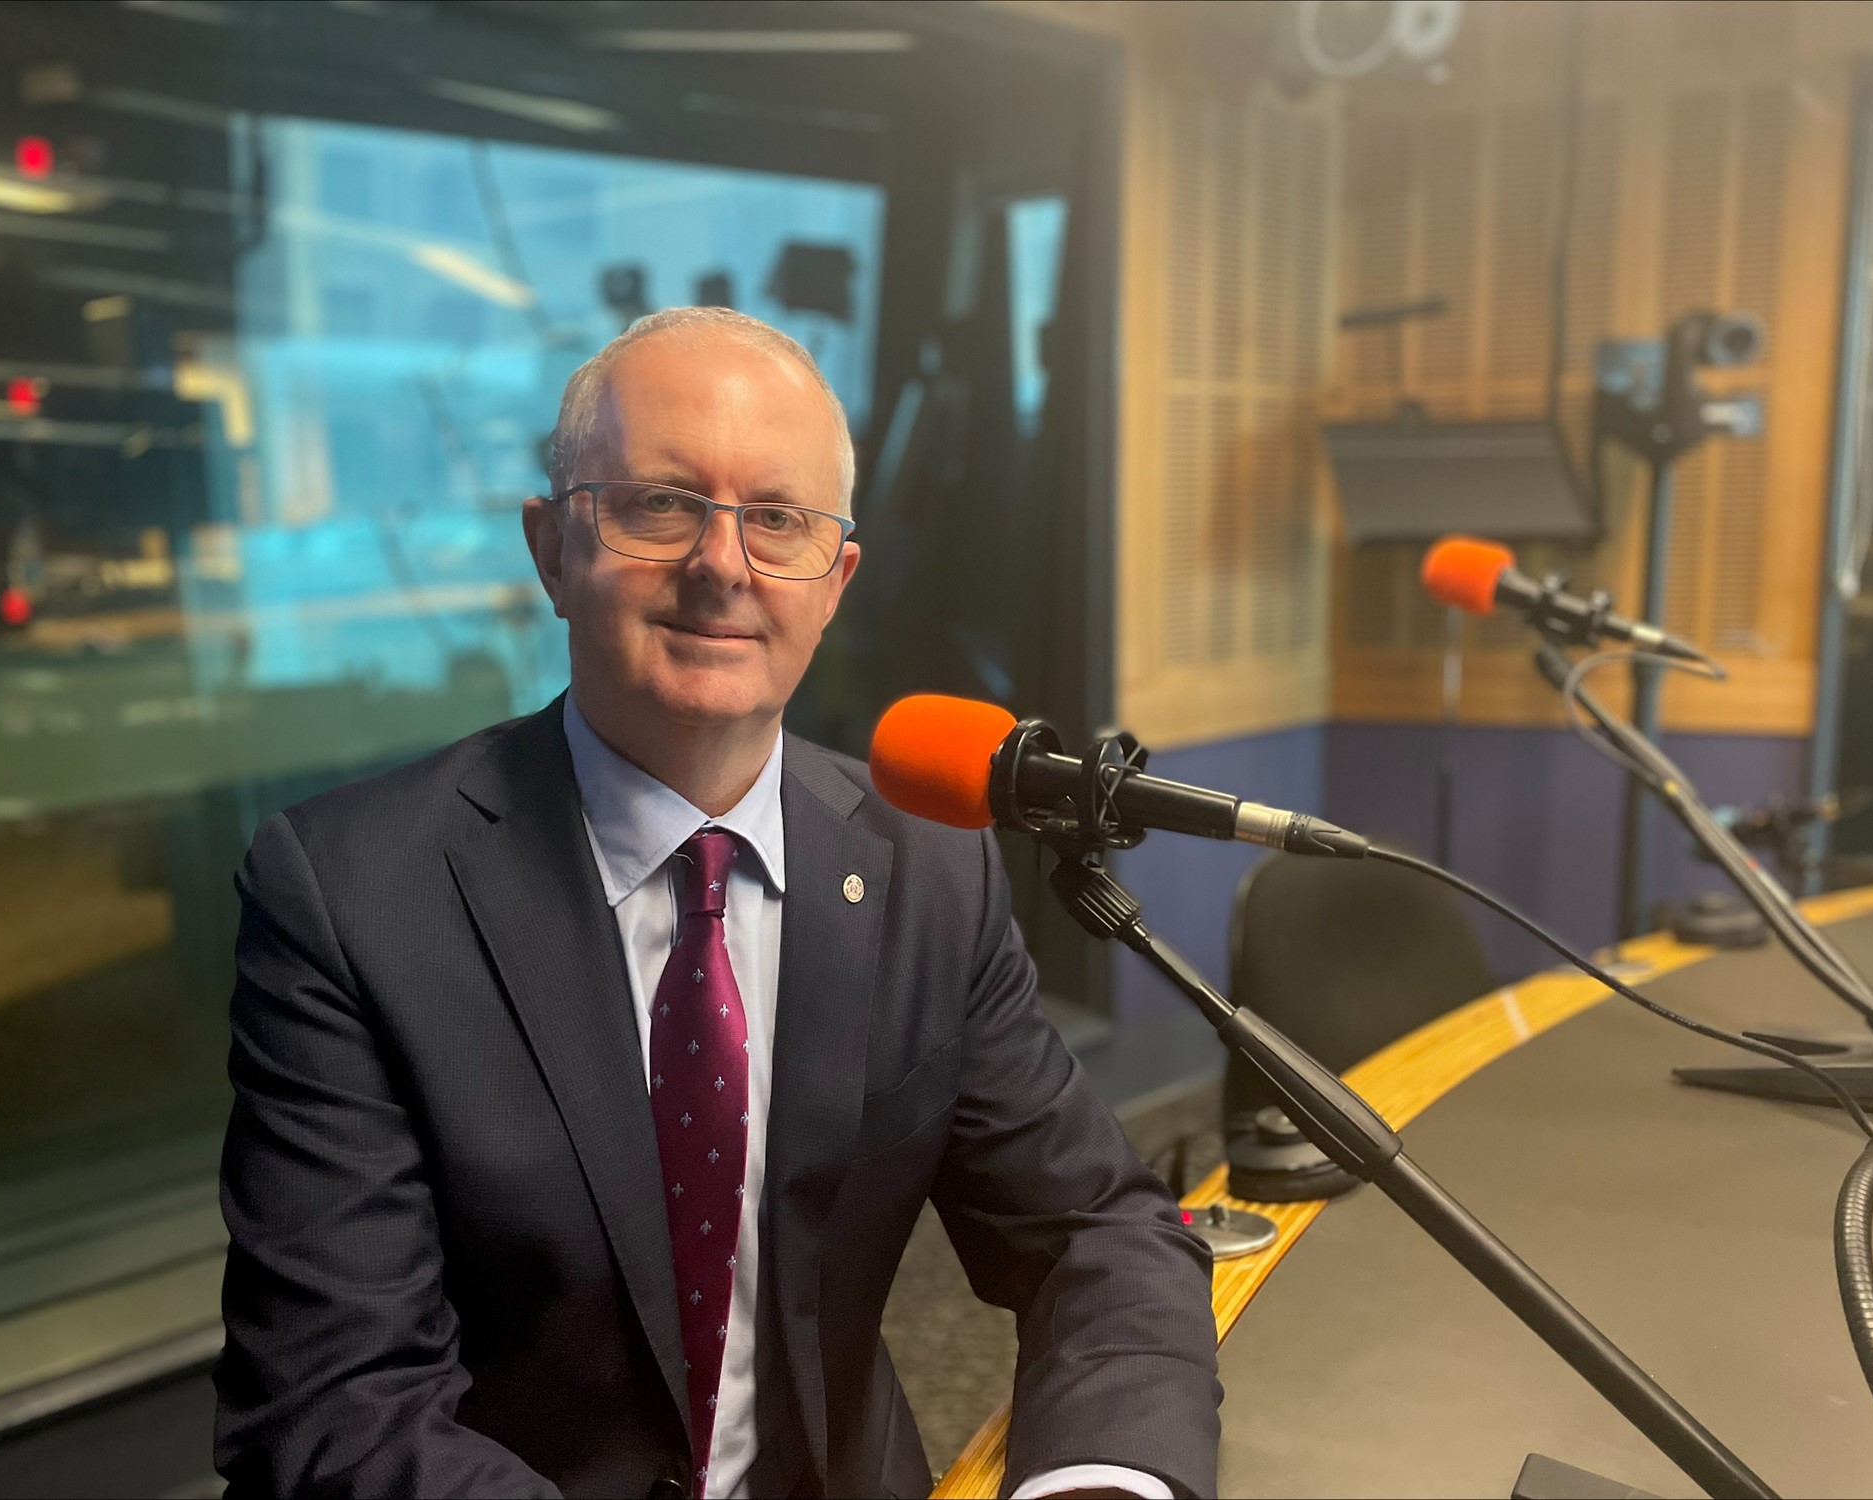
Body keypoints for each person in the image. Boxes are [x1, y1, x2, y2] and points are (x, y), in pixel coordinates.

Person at [214, 307, 1221, 1499]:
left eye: (778, 519)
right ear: (551, 548)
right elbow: (338, 1405)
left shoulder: (929, 866)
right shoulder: (350, 896)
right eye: (660, 504)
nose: (722, 565)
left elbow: (1096, 1234)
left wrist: (1098, 1484)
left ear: (835, 580)